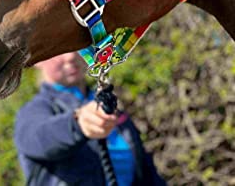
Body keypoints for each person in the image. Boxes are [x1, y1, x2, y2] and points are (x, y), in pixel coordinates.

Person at [14, 52, 166, 186]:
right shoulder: (33, 111)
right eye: (58, 50)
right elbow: (39, 137)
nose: (71, 56)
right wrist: (77, 124)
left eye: (76, 47)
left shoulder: (107, 101)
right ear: (36, 59)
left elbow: (146, 171)